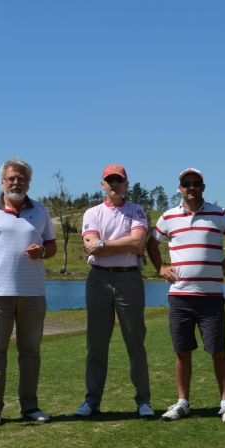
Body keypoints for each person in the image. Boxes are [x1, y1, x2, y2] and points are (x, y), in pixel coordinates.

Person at [146, 167, 225, 425]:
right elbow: (152, 242)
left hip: (211, 296)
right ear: (180, 189)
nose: (191, 187)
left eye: (196, 183)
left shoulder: (219, 213)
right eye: (186, 184)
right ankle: (183, 402)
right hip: (180, 296)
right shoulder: (168, 216)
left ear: (203, 187)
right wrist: (161, 267)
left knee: (218, 350)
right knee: (182, 351)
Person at [0, 157, 57, 426]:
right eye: (11, 178)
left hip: (33, 293)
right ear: (2, 181)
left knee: (30, 352)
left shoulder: (40, 211)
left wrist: (41, 251)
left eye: (21, 178)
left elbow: (51, 248)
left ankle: (30, 406)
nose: (16, 182)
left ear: (28, 182)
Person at [74, 164, 153, 418]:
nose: (115, 184)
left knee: (135, 343)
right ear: (103, 185)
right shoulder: (92, 213)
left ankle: (143, 401)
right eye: (110, 180)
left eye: (119, 180)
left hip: (129, 280)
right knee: (96, 345)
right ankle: (92, 401)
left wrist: (104, 244)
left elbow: (138, 242)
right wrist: (123, 245)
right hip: (99, 280)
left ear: (126, 184)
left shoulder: (137, 211)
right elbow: (90, 247)